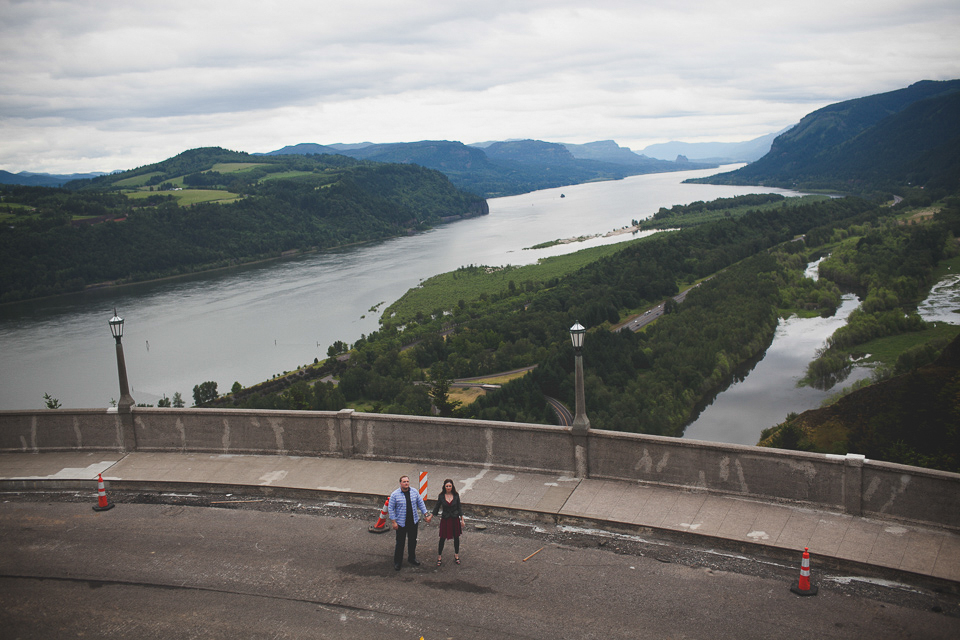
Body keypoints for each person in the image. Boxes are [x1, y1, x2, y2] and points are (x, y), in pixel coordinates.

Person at [388, 475, 431, 571]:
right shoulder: (395, 495)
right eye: (404, 481)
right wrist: (393, 522)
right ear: (400, 483)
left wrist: (426, 514)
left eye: (407, 481)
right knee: (400, 543)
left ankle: (412, 558)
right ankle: (398, 562)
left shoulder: (414, 492)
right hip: (401, 523)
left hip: (413, 522)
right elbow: (391, 509)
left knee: (412, 541)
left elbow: (420, 503)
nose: (406, 483)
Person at [431, 478, 465, 566]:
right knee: (442, 538)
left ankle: (456, 555)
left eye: (450, 486)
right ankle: (439, 556)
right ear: (444, 487)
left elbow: (459, 507)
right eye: (447, 486)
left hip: (454, 519)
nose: (448, 487)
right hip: (445, 519)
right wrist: (430, 516)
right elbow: (437, 507)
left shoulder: (456, 495)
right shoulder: (441, 496)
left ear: (452, 486)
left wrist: (462, 519)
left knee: (456, 537)